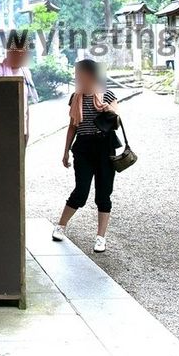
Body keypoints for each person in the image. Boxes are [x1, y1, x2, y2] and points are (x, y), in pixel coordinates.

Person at [51, 59, 119, 253]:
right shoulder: (75, 97)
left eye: (79, 73)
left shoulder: (107, 94)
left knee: (103, 192)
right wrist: (65, 151)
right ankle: (61, 226)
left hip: (105, 147)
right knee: (80, 190)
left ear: (90, 74)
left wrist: (110, 110)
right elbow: (73, 125)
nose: (76, 77)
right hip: (83, 147)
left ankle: (100, 237)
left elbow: (118, 119)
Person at [0, 30, 40, 142]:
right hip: (3, 132)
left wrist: (27, 131)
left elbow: (26, 106)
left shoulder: (26, 72)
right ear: (10, 51)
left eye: (26, 51)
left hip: (22, 131)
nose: (24, 55)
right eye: (21, 51)